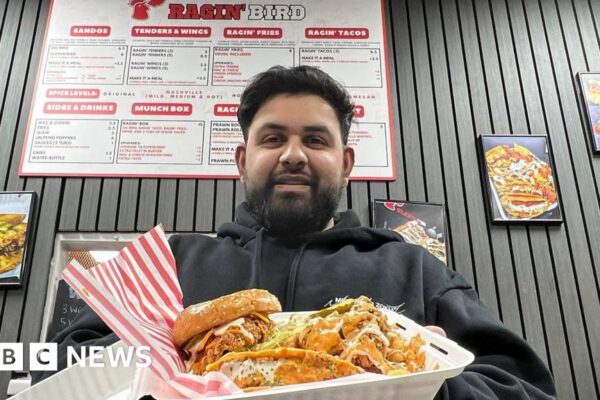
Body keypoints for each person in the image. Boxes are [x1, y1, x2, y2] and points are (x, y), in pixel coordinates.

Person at [32, 65, 556, 399]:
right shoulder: (169, 263)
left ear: (346, 163)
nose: (293, 155)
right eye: (273, 138)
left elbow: (524, 386)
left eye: (316, 140)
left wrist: (424, 385)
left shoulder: (413, 267)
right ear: (243, 160)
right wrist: (154, 367)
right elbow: (53, 370)